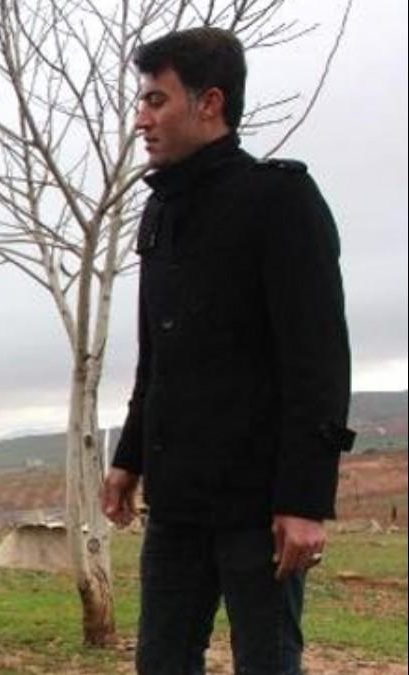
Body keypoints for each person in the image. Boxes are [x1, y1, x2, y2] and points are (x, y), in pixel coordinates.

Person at [100, 27, 353, 674]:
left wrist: (304, 499)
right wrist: (128, 457)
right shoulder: (159, 213)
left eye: (157, 100)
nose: (141, 119)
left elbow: (318, 360)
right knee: (160, 662)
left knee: (266, 662)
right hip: (178, 503)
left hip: (259, 508)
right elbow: (157, 356)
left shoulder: (279, 200)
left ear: (209, 103)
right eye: (141, 102)